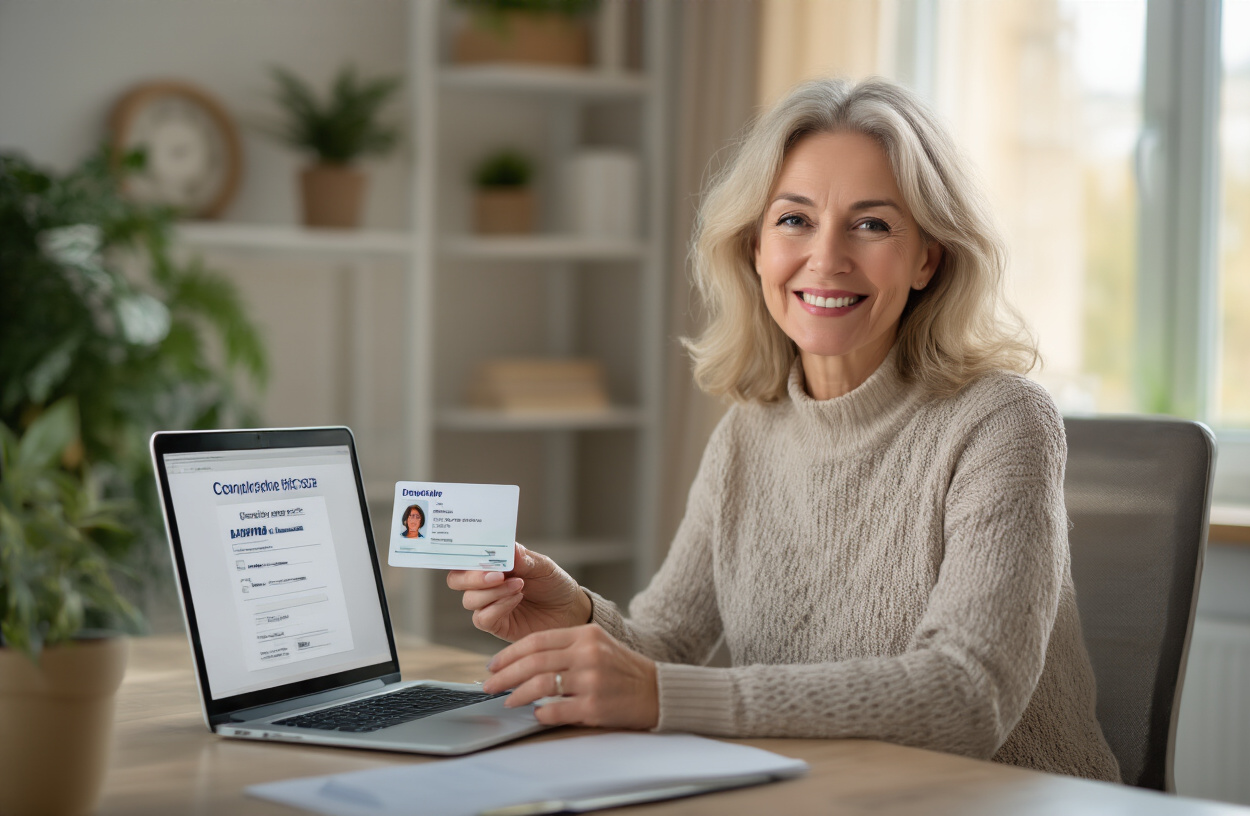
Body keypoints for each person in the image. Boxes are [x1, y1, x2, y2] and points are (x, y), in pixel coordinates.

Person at [447, 77, 1121, 782]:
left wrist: (662, 695)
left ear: (929, 257)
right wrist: (576, 614)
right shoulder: (748, 432)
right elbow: (670, 645)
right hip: (820, 794)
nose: (826, 258)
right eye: (794, 220)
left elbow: (966, 696)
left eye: (872, 224)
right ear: (756, 249)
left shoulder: (1002, 419)